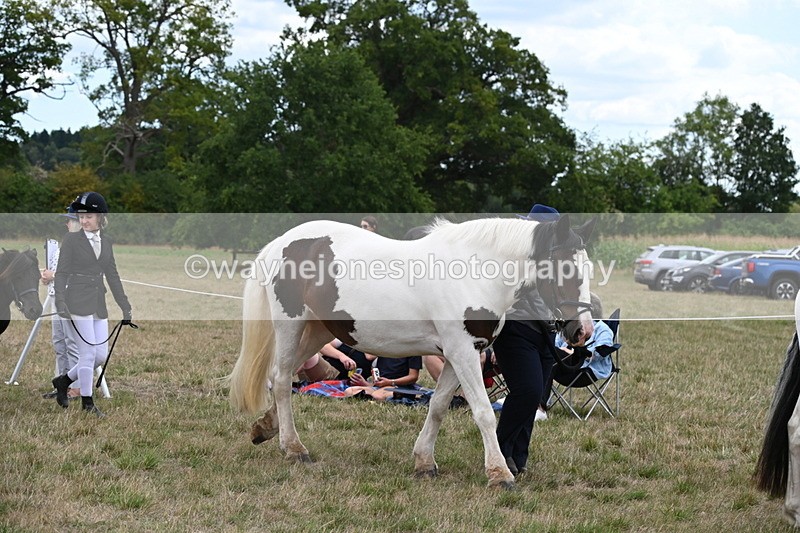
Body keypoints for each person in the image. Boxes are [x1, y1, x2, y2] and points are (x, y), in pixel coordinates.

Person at [492, 203, 561, 477]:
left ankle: (519, 456)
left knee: (535, 397)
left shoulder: (556, 260)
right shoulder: (514, 257)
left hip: (546, 332)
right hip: (516, 329)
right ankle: (499, 450)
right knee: (528, 391)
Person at [51, 191, 133, 417]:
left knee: (99, 356)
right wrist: (60, 299)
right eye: (81, 217)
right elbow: (61, 273)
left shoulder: (106, 241)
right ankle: (87, 403)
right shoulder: (71, 240)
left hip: (97, 302)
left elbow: (112, 275)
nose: (84, 221)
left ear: (100, 217)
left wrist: (124, 305)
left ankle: (63, 381)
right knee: (87, 354)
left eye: (89, 216)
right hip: (76, 300)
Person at [542, 293, 614, 412]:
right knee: (546, 354)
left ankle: (540, 406)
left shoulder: (602, 329)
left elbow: (602, 352)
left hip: (585, 371)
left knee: (551, 356)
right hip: (562, 366)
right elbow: (556, 343)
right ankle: (531, 398)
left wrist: (575, 352)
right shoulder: (570, 326)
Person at [41, 207, 82, 400]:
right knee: (59, 343)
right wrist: (47, 277)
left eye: (71, 220)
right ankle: (62, 384)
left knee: (72, 344)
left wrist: (53, 275)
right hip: (57, 297)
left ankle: (76, 387)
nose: (67, 224)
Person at [344, 354, 422, 401]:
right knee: (349, 391)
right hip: (380, 387)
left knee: (377, 395)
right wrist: (366, 384)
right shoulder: (384, 346)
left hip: (400, 387)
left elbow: (413, 377)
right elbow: (369, 356)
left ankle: (398, 396)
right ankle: (374, 396)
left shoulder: (412, 350)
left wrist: (390, 382)